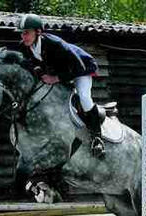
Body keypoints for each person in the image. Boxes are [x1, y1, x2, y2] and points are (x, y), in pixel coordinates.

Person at [17, 13, 105, 159]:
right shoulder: (25, 47)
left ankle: (97, 137)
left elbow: (79, 67)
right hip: (61, 73)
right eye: (22, 33)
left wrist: (56, 78)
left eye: (26, 32)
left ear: (38, 32)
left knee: (84, 97)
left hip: (81, 70)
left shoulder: (55, 43)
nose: (23, 36)